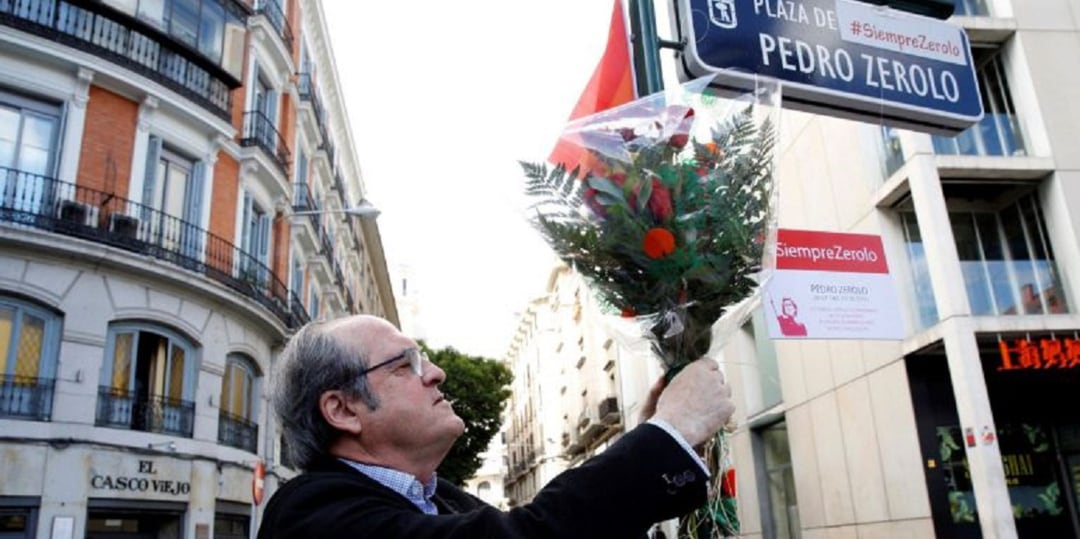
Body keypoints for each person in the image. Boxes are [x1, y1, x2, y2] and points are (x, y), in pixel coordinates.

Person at [258, 314, 736, 539]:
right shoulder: (311, 515)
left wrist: (653, 435)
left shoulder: (438, 497)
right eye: (404, 365)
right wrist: (666, 434)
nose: (435, 373)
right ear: (343, 410)